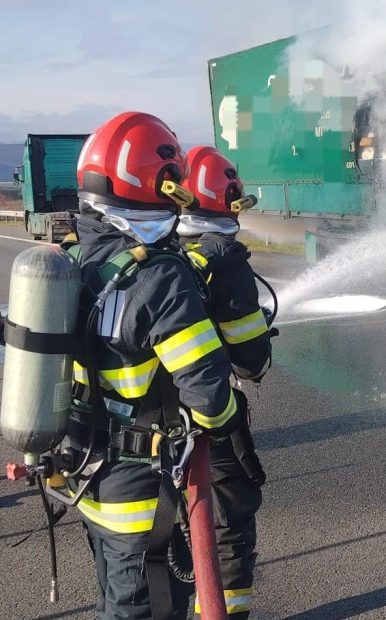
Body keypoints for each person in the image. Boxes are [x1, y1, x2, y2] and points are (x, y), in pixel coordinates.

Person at [68, 111, 242, 619]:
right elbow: (209, 399)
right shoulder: (161, 278)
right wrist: (227, 417)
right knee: (146, 606)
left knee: (113, 597)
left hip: (82, 475)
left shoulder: (76, 261)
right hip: (139, 493)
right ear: (156, 181)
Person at [177, 146, 272, 619]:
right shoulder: (224, 261)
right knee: (229, 525)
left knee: (166, 530)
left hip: (143, 426)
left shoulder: (159, 252)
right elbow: (252, 360)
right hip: (207, 419)